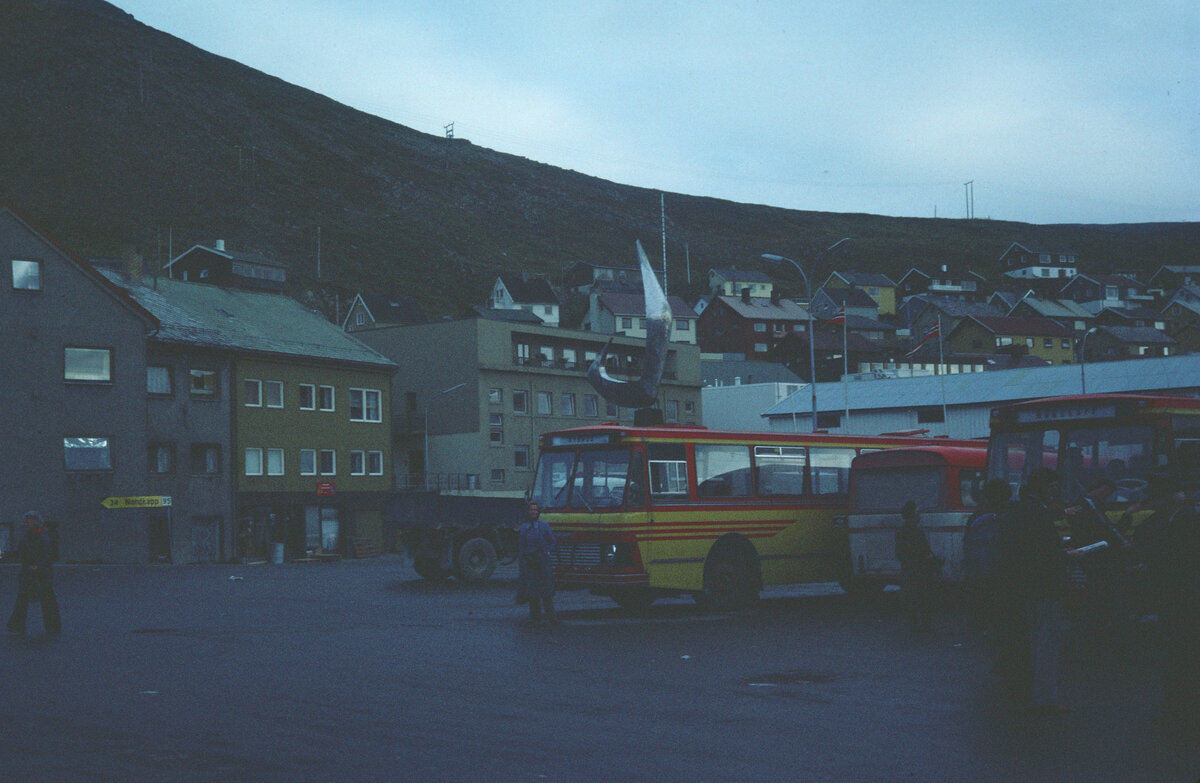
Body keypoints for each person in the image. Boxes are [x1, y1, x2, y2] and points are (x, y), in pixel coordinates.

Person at [994, 467, 1072, 713]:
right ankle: (1046, 697)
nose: (1055, 491)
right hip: (1046, 585)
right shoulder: (1037, 512)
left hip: (1027, 586)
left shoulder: (1019, 510)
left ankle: (1038, 693)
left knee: (1035, 639)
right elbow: (1044, 552)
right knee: (1048, 643)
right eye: (1052, 486)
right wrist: (1067, 554)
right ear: (1042, 487)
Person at [1132, 476, 1200, 720]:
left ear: (1168, 499)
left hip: (1184, 597)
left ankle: (1184, 704)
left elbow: (1181, 560)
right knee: (1175, 651)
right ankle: (1177, 700)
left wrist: (1150, 565)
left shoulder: (1189, 521)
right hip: (1173, 597)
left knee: (1182, 652)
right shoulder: (1169, 518)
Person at [1064, 478, 1133, 638]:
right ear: (1102, 488)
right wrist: (1127, 519)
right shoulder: (1088, 504)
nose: (1107, 496)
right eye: (1107, 492)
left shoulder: (1082, 504)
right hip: (1098, 557)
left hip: (1090, 556)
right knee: (1106, 593)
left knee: (1099, 594)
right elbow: (1106, 530)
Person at [962, 478, 1010, 635]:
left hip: (978, 572)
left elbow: (967, 546)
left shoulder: (976, 518)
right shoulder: (1007, 517)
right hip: (999, 572)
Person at [7, 511, 61, 637]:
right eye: (26, 521)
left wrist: (38, 566)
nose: (26, 523)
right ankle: (16, 626)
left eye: (29, 521)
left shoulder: (44, 538)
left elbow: (48, 556)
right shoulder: (26, 538)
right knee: (22, 600)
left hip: (42, 574)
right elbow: (20, 554)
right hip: (28, 573)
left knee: (48, 601)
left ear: (36, 523)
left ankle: (52, 627)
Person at [895, 500, 936, 632]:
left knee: (911, 600)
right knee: (923, 600)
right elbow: (925, 550)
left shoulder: (902, 532)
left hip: (909, 571)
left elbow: (899, 553)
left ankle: (914, 625)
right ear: (912, 515)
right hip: (918, 572)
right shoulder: (916, 533)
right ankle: (924, 626)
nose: (920, 516)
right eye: (918, 513)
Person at [517, 501, 558, 625]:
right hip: (530, 562)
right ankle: (535, 618)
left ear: (538, 512)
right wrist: (523, 562)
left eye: (535, 510)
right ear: (528, 512)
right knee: (532, 591)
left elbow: (552, 542)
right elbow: (522, 546)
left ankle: (551, 618)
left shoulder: (544, 526)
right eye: (531, 510)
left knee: (546, 591)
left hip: (542, 562)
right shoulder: (524, 527)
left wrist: (544, 553)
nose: (533, 512)